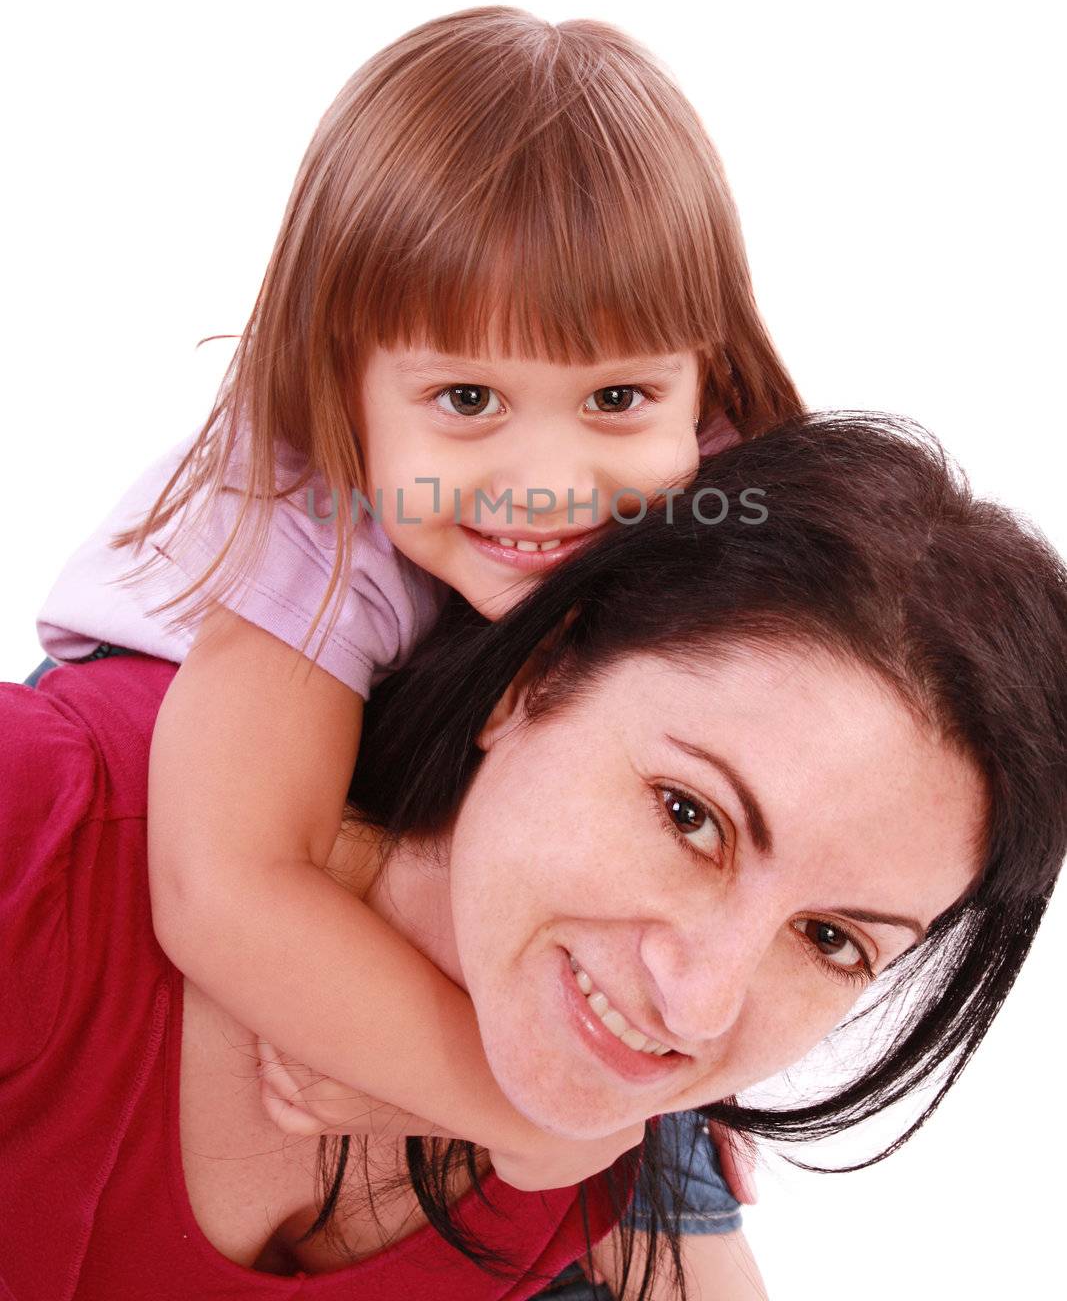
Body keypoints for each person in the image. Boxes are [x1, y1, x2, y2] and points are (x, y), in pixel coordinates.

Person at [31, 3, 801, 1272]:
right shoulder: (308, 509)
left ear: (699, 377)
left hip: (453, 795)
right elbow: (224, 887)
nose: (548, 480)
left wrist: (662, 1087)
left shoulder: (713, 481)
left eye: (616, 397)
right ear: (345, 383)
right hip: (187, 774)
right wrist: (524, 1119)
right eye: (464, 399)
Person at [6, 416, 1065, 1301]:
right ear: (534, 671)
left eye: (830, 938)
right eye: (689, 816)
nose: (695, 1006)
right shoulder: (44, 821)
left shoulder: (582, 1154)